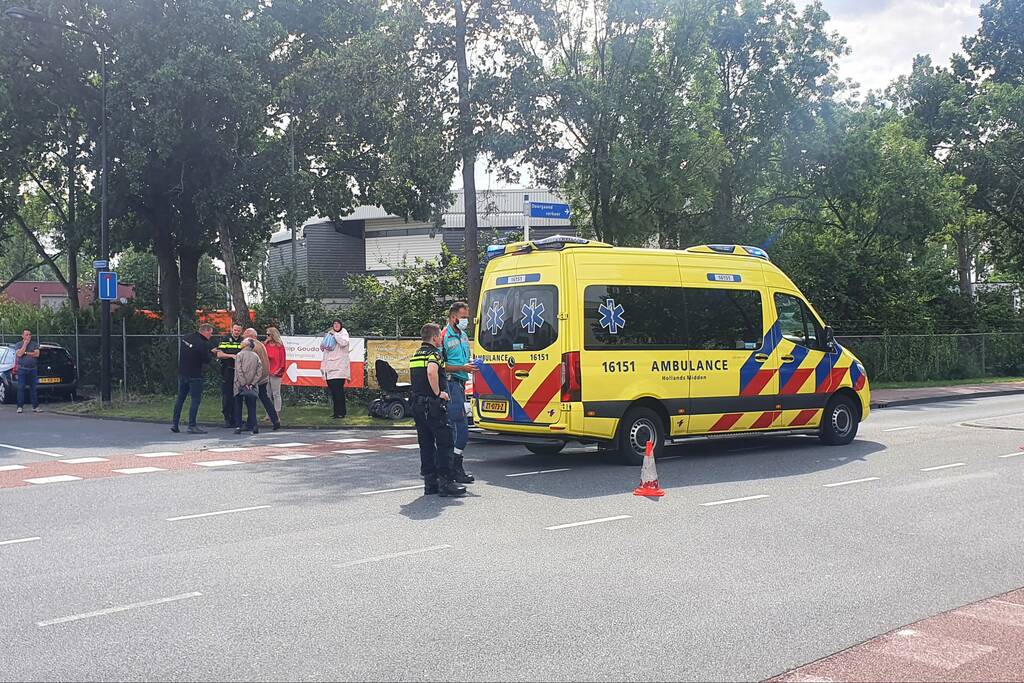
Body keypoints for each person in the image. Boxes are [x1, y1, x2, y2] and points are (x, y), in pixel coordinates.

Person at [410, 323, 466, 497]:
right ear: (434, 337)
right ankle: (446, 482)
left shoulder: (416, 354)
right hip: (433, 406)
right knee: (444, 443)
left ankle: (430, 483)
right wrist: (438, 393)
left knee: (426, 444)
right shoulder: (435, 354)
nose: (441, 338)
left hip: (418, 406)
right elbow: (432, 372)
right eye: (439, 336)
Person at [442, 302, 477, 484]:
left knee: (459, 427)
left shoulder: (463, 335)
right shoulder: (443, 336)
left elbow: (464, 358)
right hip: (451, 384)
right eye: (463, 317)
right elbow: (440, 365)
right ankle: (454, 467)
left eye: (466, 317)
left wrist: (471, 364)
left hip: (461, 384)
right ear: (453, 317)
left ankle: (454, 467)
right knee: (460, 427)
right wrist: (462, 367)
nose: (465, 321)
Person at [171, 323, 215, 434]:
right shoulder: (202, 343)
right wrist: (212, 353)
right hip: (195, 375)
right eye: (210, 332)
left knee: (180, 399)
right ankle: (192, 425)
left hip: (183, 373)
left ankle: (175, 424)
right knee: (195, 400)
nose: (211, 335)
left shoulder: (186, 338)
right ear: (205, 331)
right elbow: (206, 359)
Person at [242, 328, 282, 430]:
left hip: (255, 377)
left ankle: (252, 424)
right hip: (264, 376)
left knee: (250, 400)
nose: (243, 337)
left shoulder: (251, 346)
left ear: (250, 336)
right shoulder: (262, 345)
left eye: (245, 335)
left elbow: (250, 363)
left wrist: (248, 380)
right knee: (265, 398)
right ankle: (275, 420)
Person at [214, 323, 244, 428]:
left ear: (241, 331)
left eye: (238, 330)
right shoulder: (226, 339)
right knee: (227, 395)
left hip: (239, 372)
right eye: (235, 330)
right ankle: (227, 418)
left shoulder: (243, 341)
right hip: (227, 370)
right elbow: (219, 354)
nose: (236, 332)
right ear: (232, 329)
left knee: (238, 395)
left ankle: (236, 418)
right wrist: (231, 356)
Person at [321, 318, 351, 419]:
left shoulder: (343, 333)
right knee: (333, 391)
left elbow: (343, 343)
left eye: (338, 324)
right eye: (334, 324)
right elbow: (324, 347)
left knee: (339, 391)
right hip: (330, 368)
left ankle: (341, 412)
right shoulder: (330, 333)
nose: (336, 325)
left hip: (339, 367)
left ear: (341, 325)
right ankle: (335, 412)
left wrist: (335, 335)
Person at [233, 338, 262, 435]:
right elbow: (259, 372)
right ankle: (254, 425)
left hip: (239, 385)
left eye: (243, 342)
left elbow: (238, 370)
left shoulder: (239, 355)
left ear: (247, 345)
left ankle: (238, 426)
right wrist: (252, 383)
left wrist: (244, 383)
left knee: (238, 405)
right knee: (251, 406)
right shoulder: (256, 356)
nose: (241, 342)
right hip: (252, 386)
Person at [14, 329, 41, 414]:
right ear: (22, 336)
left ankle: (35, 406)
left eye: (29, 334)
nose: (28, 336)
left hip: (33, 369)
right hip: (22, 369)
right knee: (21, 388)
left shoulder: (34, 344)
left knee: (33, 388)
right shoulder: (18, 344)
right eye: (26, 335)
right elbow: (19, 354)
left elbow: (37, 354)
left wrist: (26, 353)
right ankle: (19, 407)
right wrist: (25, 345)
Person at [265, 326, 287, 417]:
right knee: (267, 394)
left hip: (276, 372)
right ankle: (268, 414)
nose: (267, 336)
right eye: (266, 334)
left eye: (268, 334)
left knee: (276, 393)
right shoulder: (265, 345)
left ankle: (277, 413)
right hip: (267, 372)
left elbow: (282, 360)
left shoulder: (280, 346)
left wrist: (278, 370)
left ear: (273, 335)